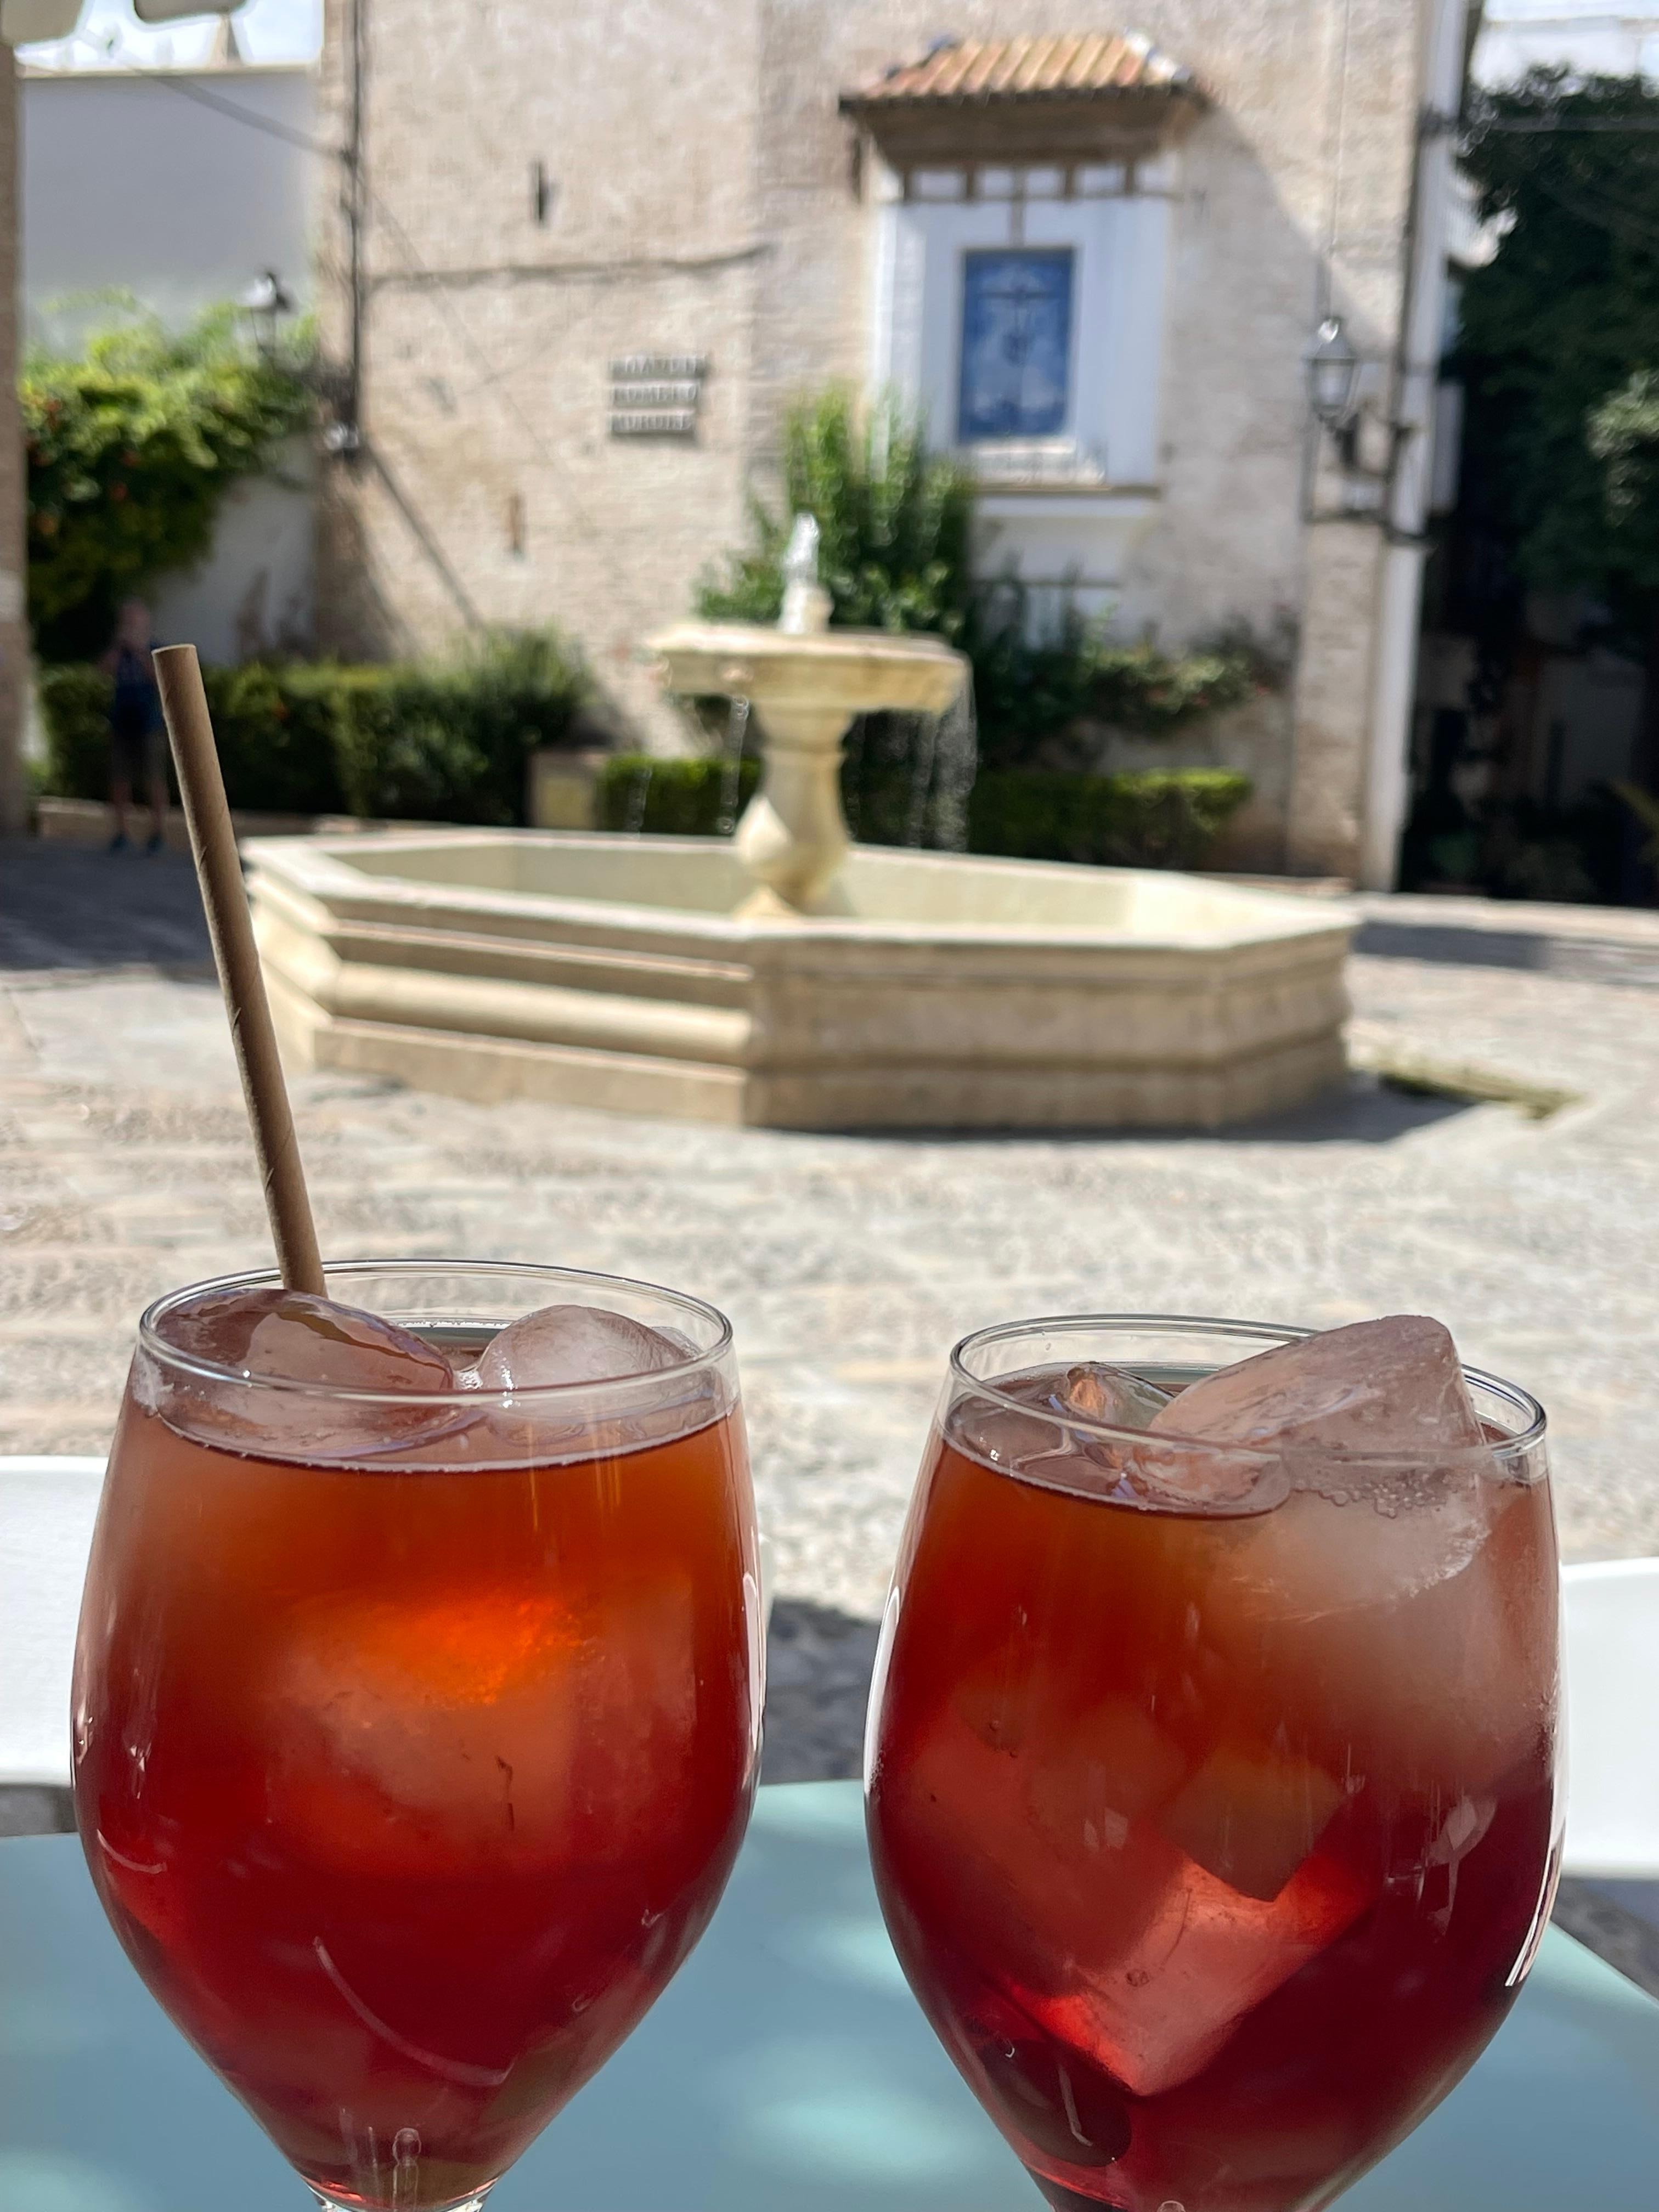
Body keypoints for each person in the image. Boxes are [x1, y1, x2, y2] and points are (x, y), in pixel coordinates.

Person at [100, 600, 168, 854]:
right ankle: (121, 832)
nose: (130, 625)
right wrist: (119, 648)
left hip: (149, 723)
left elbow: (158, 677)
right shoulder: (119, 650)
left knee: (154, 778)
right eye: (126, 620)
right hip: (122, 722)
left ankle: (158, 832)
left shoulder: (153, 648)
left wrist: (139, 652)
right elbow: (103, 671)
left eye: (134, 620)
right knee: (119, 779)